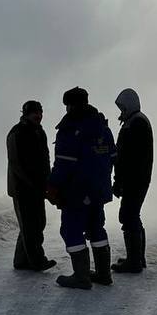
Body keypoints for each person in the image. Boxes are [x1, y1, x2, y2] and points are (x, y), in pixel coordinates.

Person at [45, 87, 117, 290]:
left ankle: (81, 276)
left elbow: (63, 164)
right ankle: (103, 274)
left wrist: (52, 185)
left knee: (71, 229)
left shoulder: (71, 129)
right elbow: (112, 157)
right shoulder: (103, 127)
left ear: (71, 105)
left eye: (68, 105)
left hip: (77, 191)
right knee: (96, 228)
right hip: (99, 190)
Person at [6, 100, 56, 272]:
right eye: (36, 112)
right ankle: (37, 261)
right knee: (29, 226)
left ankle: (21, 261)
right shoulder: (16, 133)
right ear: (26, 114)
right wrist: (33, 184)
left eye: (41, 112)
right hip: (22, 189)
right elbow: (16, 164)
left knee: (37, 224)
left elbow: (45, 157)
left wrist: (47, 181)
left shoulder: (39, 132)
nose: (39, 116)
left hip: (38, 187)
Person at [111, 88, 153, 274]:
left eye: (122, 106)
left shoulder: (135, 123)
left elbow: (128, 158)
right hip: (138, 178)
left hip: (134, 180)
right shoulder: (136, 120)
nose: (121, 110)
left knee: (128, 216)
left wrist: (120, 180)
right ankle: (137, 258)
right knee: (132, 215)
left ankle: (134, 261)